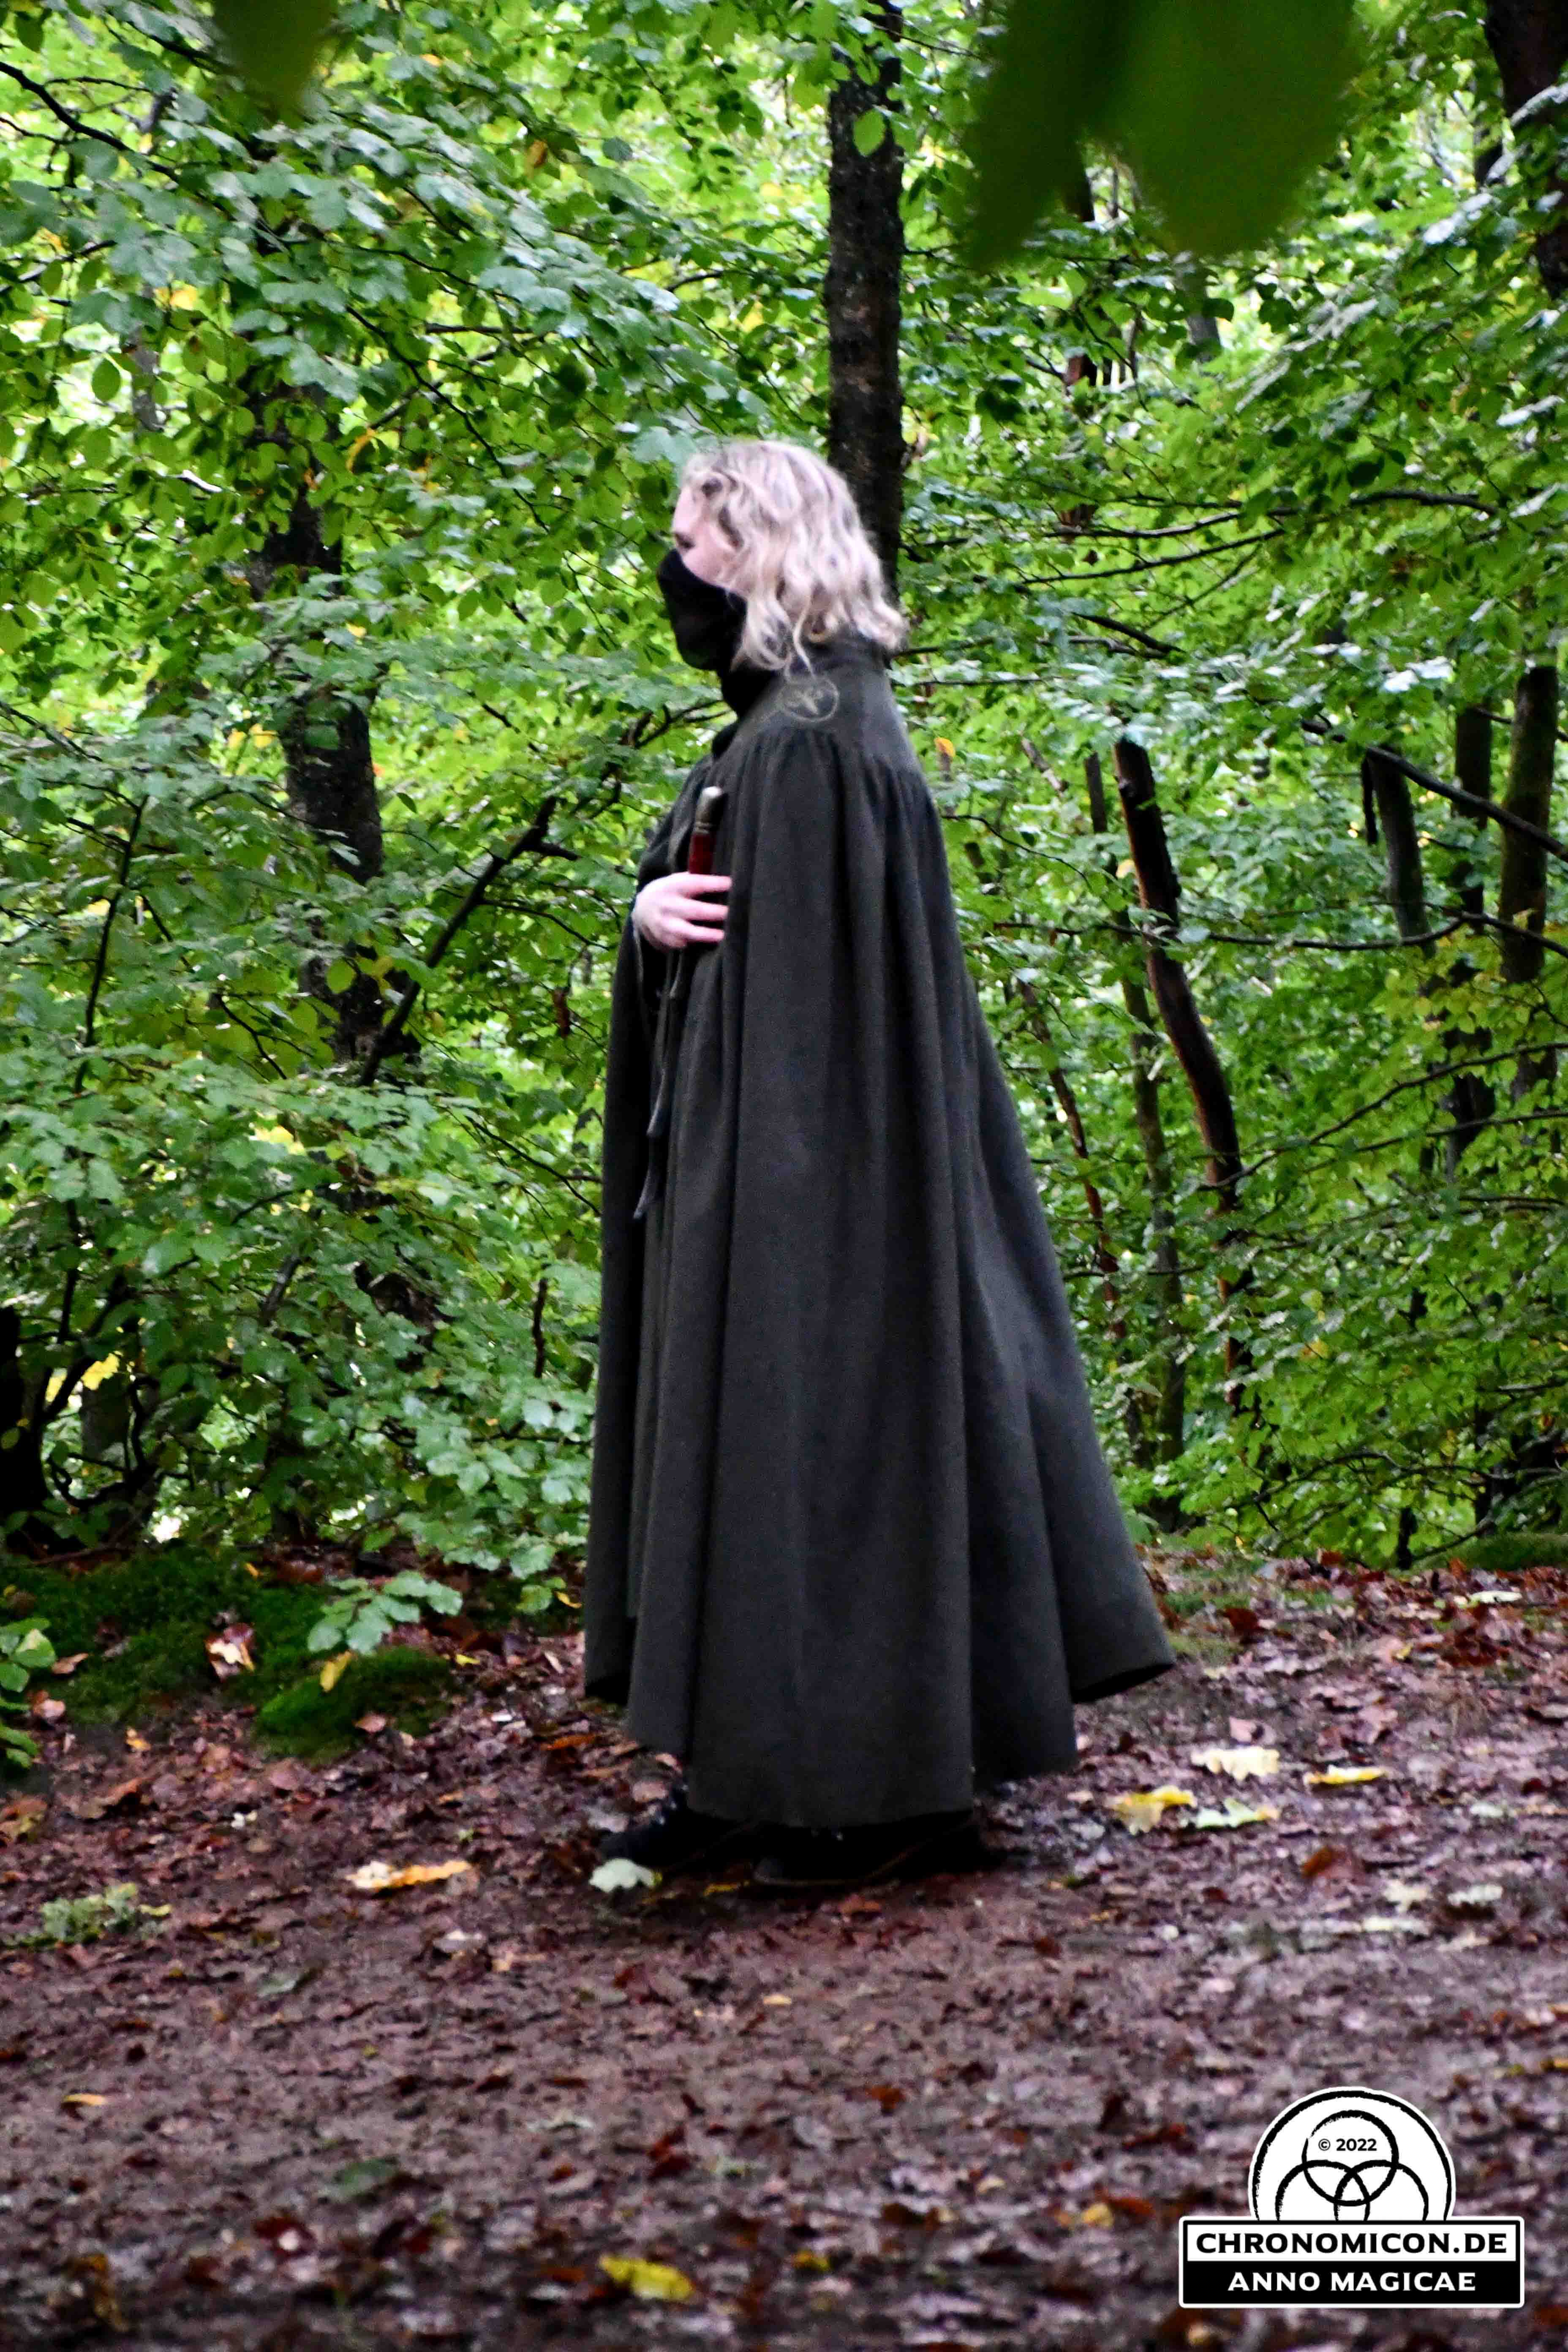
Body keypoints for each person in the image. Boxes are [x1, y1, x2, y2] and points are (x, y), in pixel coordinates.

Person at [583, 437, 1174, 1892]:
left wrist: (782, 1217)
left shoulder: (811, 740)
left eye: (691, 541)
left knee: (823, 1444)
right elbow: (737, 949)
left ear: (758, 550)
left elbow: (813, 1024)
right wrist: (646, 913)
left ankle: (875, 1793)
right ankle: (753, 1776)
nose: (672, 568)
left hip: (806, 1186)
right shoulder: (797, 723)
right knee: (786, 1448)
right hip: (792, 1174)